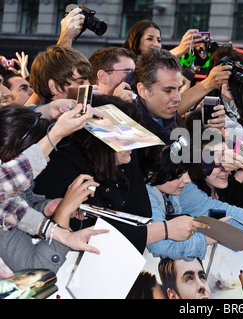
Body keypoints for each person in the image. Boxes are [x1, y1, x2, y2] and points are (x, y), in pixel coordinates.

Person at [33, 95, 208, 253]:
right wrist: (165, 230)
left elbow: (142, 215)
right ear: (101, 141)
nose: (135, 145)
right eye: (127, 138)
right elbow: (92, 233)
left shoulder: (125, 158)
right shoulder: (63, 166)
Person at [0, 104, 109, 273]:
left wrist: (46, 208)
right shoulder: (8, 181)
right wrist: (63, 214)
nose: (47, 159)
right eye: (43, 152)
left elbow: (16, 208)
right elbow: (36, 270)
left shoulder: (11, 189)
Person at [140, 141, 243, 261]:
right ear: (152, 176)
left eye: (187, 173)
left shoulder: (183, 189)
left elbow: (215, 208)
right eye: (178, 176)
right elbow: (160, 246)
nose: (187, 180)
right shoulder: (145, 197)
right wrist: (210, 238)